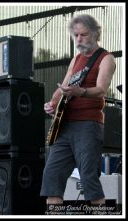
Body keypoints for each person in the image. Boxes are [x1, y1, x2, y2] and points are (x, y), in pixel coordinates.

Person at [40, 14, 116, 210]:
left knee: (89, 179)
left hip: (88, 125)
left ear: (95, 34)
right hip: (64, 125)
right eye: (76, 35)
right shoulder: (77, 59)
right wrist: (52, 102)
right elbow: (63, 86)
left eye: (83, 35)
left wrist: (80, 91)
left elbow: (101, 90)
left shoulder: (106, 58)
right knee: (51, 178)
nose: (79, 39)